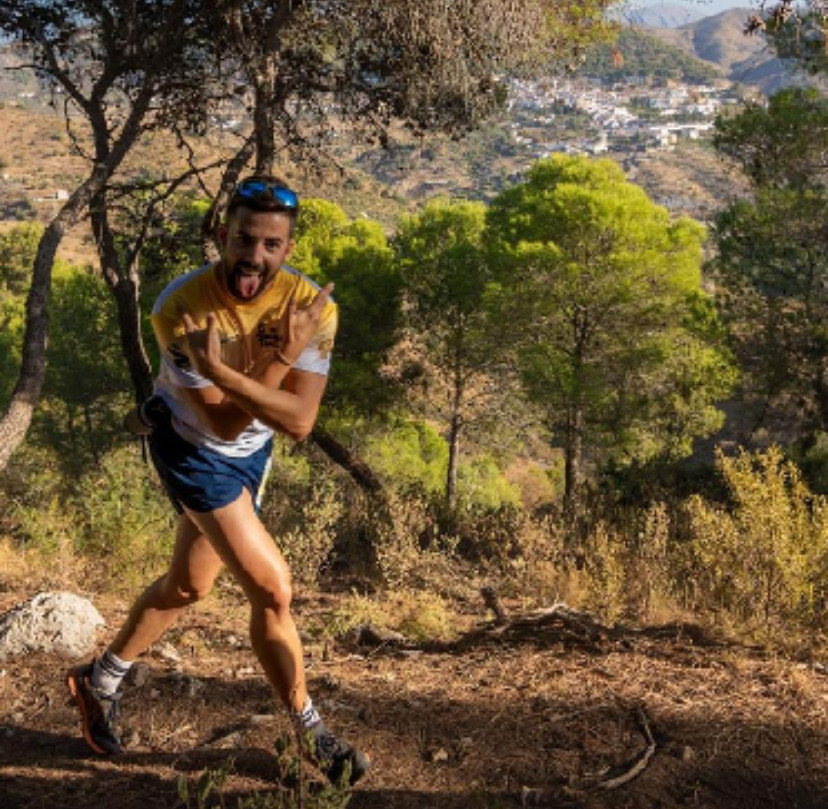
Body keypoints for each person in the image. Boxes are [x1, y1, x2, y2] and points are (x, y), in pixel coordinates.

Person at [66, 175, 369, 786]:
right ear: (222, 236)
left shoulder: (311, 309)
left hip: (253, 453)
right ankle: (310, 729)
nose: (254, 257)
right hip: (193, 448)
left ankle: (99, 680)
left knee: (188, 586)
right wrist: (276, 361)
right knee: (274, 590)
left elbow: (300, 422)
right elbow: (224, 422)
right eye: (243, 240)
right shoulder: (180, 306)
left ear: (288, 248)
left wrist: (230, 368)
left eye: (271, 245)